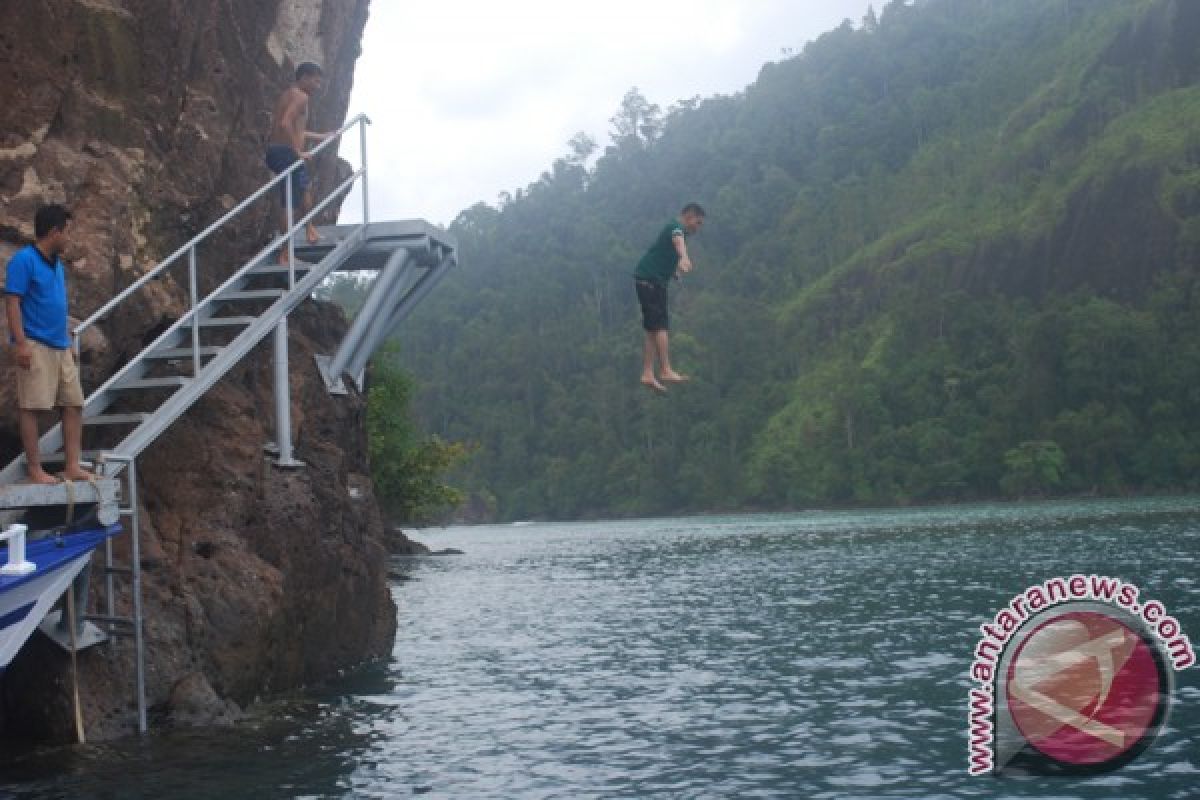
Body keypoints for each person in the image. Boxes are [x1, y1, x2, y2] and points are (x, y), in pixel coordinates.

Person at [4, 204, 93, 484]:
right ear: (54, 232)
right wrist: (20, 344)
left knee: (73, 403)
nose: (71, 238)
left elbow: (58, 305)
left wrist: (68, 341)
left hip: (60, 344)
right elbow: (13, 302)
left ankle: (72, 465)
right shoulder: (24, 260)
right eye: (68, 232)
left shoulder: (57, 266)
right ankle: (34, 468)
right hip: (35, 342)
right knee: (32, 406)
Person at [633, 203, 705, 393]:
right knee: (661, 327)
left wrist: (673, 270)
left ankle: (648, 373)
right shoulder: (676, 228)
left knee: (652, 328)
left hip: (651, 280)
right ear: (689, 216)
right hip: (650, 281)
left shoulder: (679, 231)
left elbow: (666, 252)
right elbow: (677, 241)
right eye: (697, 223)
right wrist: (684, 257)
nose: (697, 228)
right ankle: (665, 369)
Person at [265, 61, 333, 264]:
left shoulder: (288, 94)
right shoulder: (301, 97)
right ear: (303, 77)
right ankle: (286, 253)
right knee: (290, 203)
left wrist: (321, 136)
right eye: (315, 81)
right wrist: (297, 152)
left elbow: (297, 128)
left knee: (304, 191)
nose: (317, 87)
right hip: (286, 153)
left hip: (276, 151)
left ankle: (310, 229)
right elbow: (285, 123)